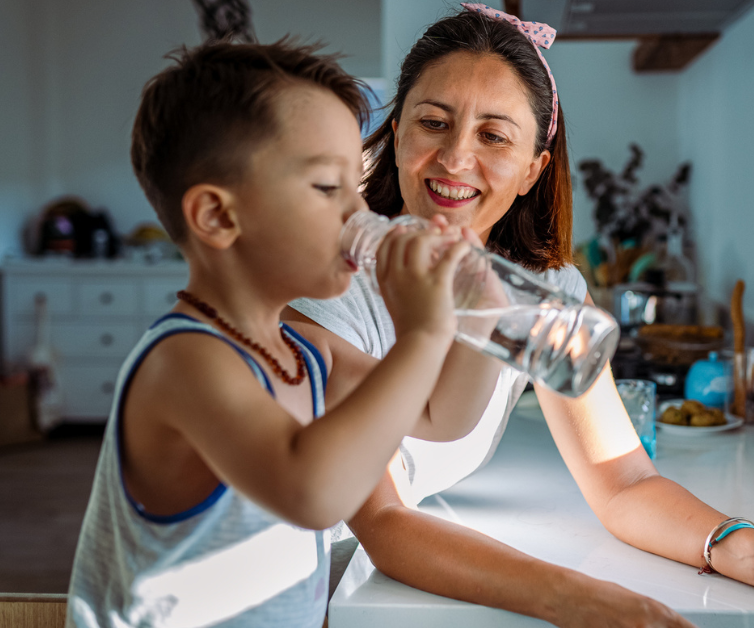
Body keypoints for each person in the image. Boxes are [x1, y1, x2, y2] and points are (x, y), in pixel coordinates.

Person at [287, 6, 754, 627]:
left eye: (493, 135)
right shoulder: (328, 290)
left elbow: (622, 481)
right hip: (296, 585)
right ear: (397, 132)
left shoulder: (544, 293)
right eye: (433, 122)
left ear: (534, 169)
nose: (456, 158)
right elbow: (387, 524)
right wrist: (575, 596)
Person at [65, 40, 503, 628]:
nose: (360, 214)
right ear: (218, 217)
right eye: (328, 188)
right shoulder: (185, 362)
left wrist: (481, 319)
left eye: (357, 186)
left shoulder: (306, 352)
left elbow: (441, 417)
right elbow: (312, 492)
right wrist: (424, 333)